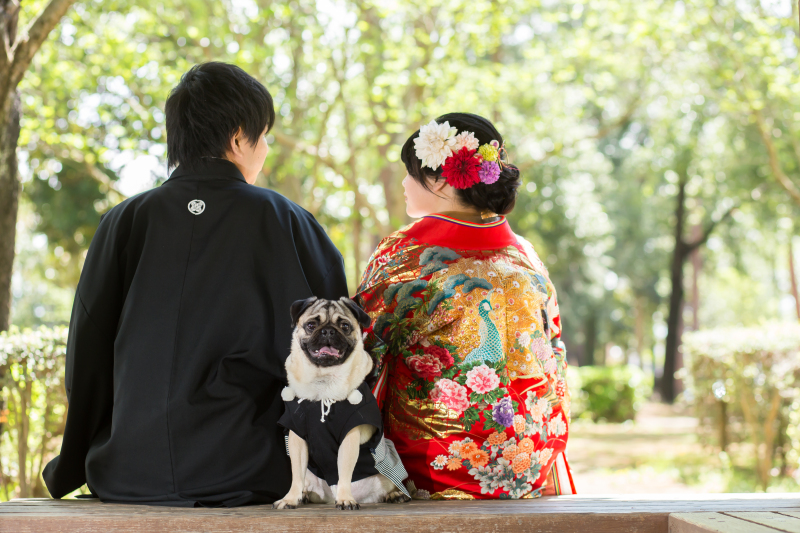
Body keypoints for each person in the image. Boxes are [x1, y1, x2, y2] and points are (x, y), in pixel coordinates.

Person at [42, 62, 348, 506]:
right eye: (263, 137)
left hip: (127, 468)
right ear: (239, 135)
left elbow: (87, 356)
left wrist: (93, 450)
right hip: (252, 467)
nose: (264, 150)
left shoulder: (124, 221)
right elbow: (337, 353)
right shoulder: (285, 221)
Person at [354, 113, 575, 499]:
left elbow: (363, 352)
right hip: (532, 460)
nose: (405, 183)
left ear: (440, 178)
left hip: (439, 467)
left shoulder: (405, 254)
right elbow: (554, 354)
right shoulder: (526, 256)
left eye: (410, 172)